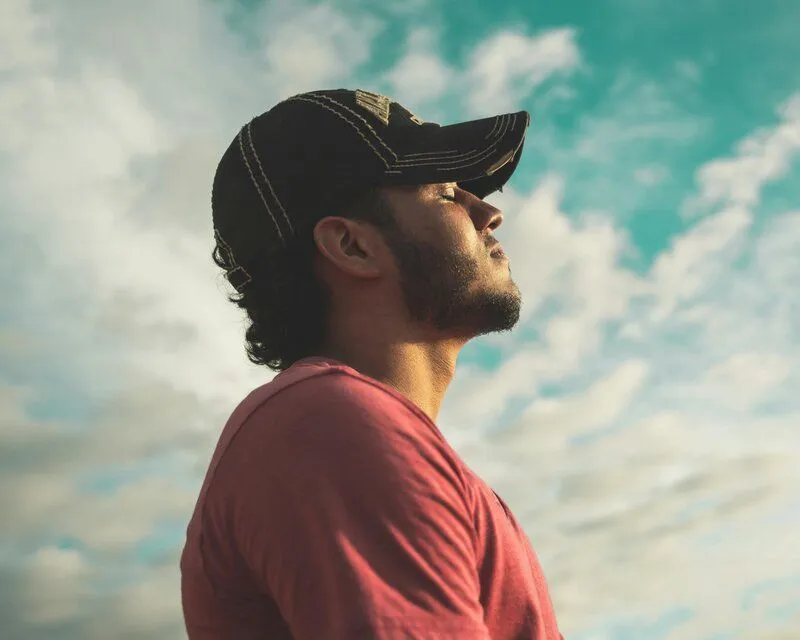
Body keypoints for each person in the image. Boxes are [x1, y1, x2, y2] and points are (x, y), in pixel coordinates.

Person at [180, 88, 563, 639]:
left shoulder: (349, 431)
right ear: (352, 246)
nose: (489, 212)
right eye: (445, 194)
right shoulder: (331, 425)